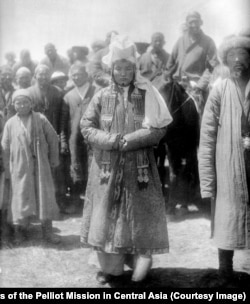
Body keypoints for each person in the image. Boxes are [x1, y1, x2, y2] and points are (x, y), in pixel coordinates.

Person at [80, 35, 172, 285]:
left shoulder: (147, 94)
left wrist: (131, 139)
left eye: (128, 68)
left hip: (138, 168)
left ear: (134, 70)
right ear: (111, 70)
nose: (123, 73)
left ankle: (138, 265)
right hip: (106, 170)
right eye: (118, 68)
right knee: (107, 216)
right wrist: (111, 141)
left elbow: (160, 128)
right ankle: (110, 268)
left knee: (138, 217)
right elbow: (86, 127)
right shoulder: (100, 97)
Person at [198, 34, 250, 286]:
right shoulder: (219, 89)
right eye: (232, 56)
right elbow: (207, 137)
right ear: (226, 61)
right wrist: (208, 180)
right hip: (227, 167)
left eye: (243, 55)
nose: (238, 60)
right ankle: (224, 272)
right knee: (226, 217)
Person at [1, 89, 60, 245]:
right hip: (19, 168)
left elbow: (53, 138)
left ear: (31, 103)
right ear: (13, 105)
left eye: (25, 102)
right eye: (18, 103)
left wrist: (53, 159)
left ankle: (48, 233)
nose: (22, 106)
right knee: (20, 198)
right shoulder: (10, 123)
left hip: (40, 167)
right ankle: (20, 233)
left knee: (44, 197)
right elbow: (5, 148)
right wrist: (8, 169)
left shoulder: (40, 119)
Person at [166, 11, 218, 118]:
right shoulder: (181, 40)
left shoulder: (208, 41)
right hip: (176, 84)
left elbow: (211, 67)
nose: (194, 25)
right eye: (191, 22)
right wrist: (167, 77)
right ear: (187, 24)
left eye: (196, 22)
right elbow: (171, 62)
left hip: (194, 86)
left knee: (196, 117)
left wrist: (200, 85)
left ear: (201, 22)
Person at [28, 65, 65, 212]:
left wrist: (61, 137)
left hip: (53, 136)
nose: (43, 77)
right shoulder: (29, 93)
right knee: (37, 171)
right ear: (35, 75)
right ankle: (38, 205)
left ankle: (56, 204)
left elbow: (63, 116)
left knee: (55, 169)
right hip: (35, 138)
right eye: (40, 74)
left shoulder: (58, 92)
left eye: (46, 74)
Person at [60, 62, 96, 213]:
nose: (76, 77)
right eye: (73, 75)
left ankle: (95, 204)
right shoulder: (68, 96)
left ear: (86, 75)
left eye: (79, 74)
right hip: (75, 139)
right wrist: (63, 141)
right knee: (76, 167)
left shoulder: (97, 91)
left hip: (94, 138)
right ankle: (76, 202)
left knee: (94, 167)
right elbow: (63, 122)